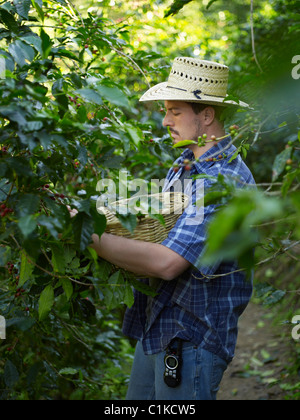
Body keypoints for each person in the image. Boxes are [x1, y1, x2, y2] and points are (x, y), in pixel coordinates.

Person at [90, 57, 256, 400]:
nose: (165, 121)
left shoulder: (222, 181)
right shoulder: (183, 166)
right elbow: (161, 234)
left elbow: (167, 262)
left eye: (175, 111)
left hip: (191, 338)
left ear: (206, 114)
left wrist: (91, 237)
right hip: (158, 326)